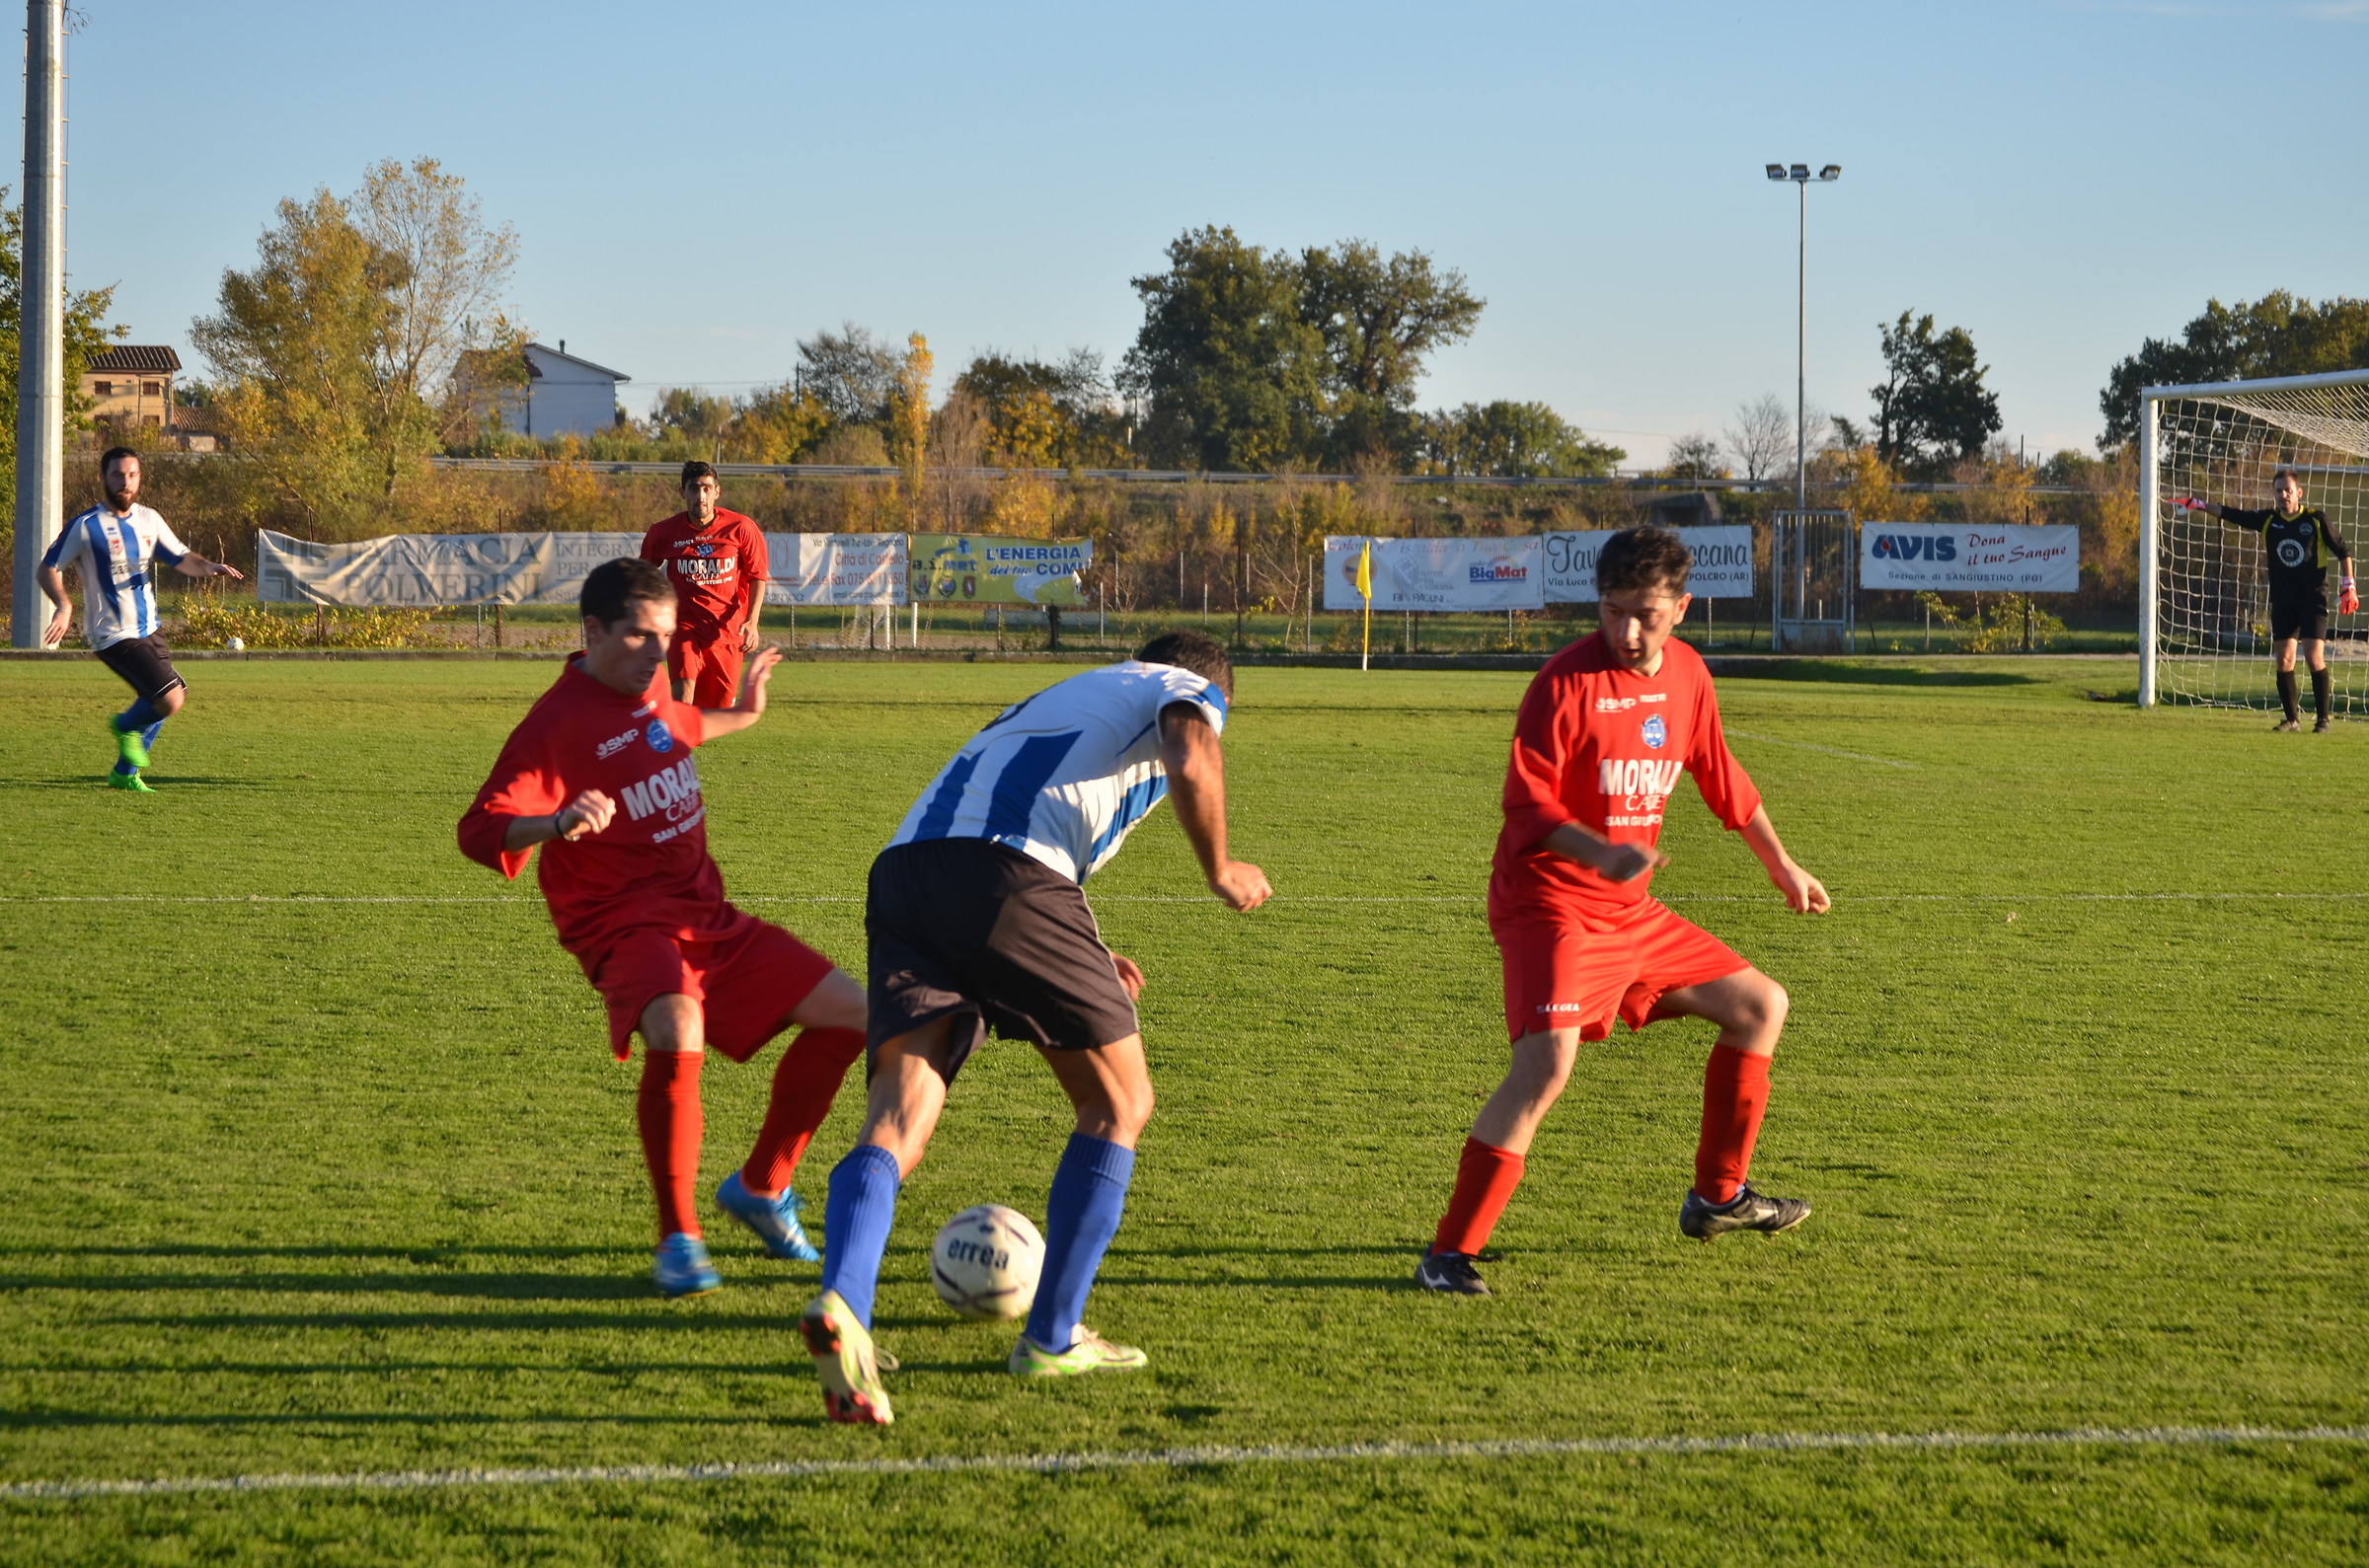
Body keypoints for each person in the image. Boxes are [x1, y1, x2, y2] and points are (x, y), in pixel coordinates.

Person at [800, 628, 1270, 1425]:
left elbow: (1011, 827)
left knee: (899, 1109)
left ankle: (845, 1304)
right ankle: (1051, 1336)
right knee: (1120, 1104)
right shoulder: (1185, 688)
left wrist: (1084, 945)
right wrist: (1221, 868)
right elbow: (1192, 757)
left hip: (909, 873)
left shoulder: (1076, 692)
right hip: (1009, 878)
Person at [1416, 526, 1830, 1298]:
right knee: (1545, 1067)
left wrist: (1782, 864)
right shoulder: (1563, 684)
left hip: (1629, 912)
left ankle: (1718, 1198)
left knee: (1761, 1005)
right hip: (1552, 905)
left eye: (1645, 613)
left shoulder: (1688, 677)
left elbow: (1718, 769)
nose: (1626, 631)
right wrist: (1597, 850)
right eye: (1612, 611)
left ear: (1683, 605)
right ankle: (1448, 1255)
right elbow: (1525, 803)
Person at [457, 558, 866, 1298]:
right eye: (641, 637)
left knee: (857, 1016)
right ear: (592, 630)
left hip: (707, 916)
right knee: (679, 1026)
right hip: (622, 924)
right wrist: (556, 821)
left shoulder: (651, 689)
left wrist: (743, 712)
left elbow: (679, 726)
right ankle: (679, 1236)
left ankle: (763, 1187)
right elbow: (479, 830)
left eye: (667, 637)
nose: (658, 653)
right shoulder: (554, 725)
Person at [37, 446, 246, 791]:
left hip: (150, 628)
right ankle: (123, 726)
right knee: (169, 698)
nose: (125, 482)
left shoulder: (149, 519)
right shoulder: (87, 526)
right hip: (112, 634)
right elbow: (48, 568)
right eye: (117, 474)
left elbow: (180, 557)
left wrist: (207, 566)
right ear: (102, 478)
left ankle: (124, 773)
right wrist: (64, 604)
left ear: (140, 478)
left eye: (132, 475)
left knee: (166, 696)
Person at [2178, 472, 2356, 731]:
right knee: (2284, 659)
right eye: (2278, 491)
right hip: (2283, 601)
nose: (2283, 495)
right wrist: (2201, 506)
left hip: (2312, 599)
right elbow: (2233, 514)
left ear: (2299, 493)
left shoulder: (2316, 520)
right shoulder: (2269, 520)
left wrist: (2348, 584)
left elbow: (2343, 551)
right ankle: (2292, 720)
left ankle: (2323, 720)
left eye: (2287, 490)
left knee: (2314, 656)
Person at [640, 460, 769, 708]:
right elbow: (644, 572)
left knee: (718, 707)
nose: (701, 495)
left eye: (707, 488)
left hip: (726, 630)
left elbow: (757, 575)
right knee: (683, 695)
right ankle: (672, 740)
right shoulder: (663, 532)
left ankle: (680, 732)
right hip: (684, 627)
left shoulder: (741, 527)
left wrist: (752, 621)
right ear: (683, 493)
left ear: (717, 492)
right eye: (694, 488)